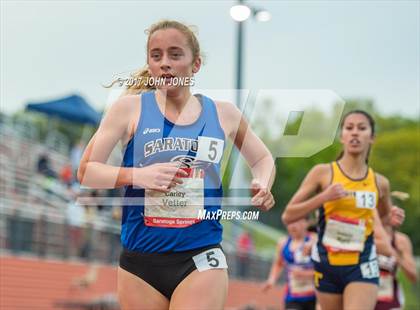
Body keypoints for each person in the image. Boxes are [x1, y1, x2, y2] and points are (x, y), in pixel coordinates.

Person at [77, 20, 275, 309]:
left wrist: (262, 181)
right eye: (156, 56)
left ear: (195, 65)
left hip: (200, 254)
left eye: (175, 55)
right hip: (140, 261)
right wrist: (138, 175)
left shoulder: (224, 114)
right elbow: (87, 172)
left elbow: (262, 158)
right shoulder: (128, 109)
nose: (165, 64)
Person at [282, 110, 397, 310]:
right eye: (349, 128)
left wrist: (391, 219)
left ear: (372, 138)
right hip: (327, 263)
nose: (355, 133)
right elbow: (288, 215)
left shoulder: (380, 183)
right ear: (342, 136)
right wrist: (323, 197)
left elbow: (384, 218)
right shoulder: (323, 173)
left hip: (362, 263)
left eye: (362, 128)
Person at [263, 217, 316, 310]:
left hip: (315, 297)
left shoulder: (314, 240)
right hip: (293, 297)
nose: (292, 226)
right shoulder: (283, 243)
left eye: (297, 221)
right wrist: (271, 279)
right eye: (289, 222)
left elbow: (326, 268)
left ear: (306, 223)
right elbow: (278, 263)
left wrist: (306, 274)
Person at [375, 206, 417, 310]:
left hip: (390, 302)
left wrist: (393, 254)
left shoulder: (400, 240)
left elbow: (413, 276)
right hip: (363, 297)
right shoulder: (365, 235)